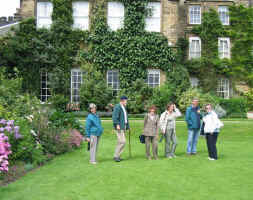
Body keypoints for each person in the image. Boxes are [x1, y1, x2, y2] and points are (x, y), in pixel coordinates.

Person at [112, 96, 129, 162]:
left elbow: (125, 118)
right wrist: (117, 125)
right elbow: (115, 117)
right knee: (123, 141)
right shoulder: (117, 106)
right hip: (119, 127)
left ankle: (117, 156)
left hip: (123, 126)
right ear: (122, 100)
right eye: (126, 101)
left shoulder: (123, 107)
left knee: (120, 142)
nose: (126, 102)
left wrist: (127, 127)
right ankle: (116, 156)